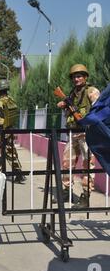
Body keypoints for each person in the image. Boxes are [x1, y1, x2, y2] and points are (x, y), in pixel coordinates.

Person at [55, 64, 99, 208]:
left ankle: (86, 197)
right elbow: (68, 114)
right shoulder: (72, 94)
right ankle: (66, 191)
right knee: (67, 163)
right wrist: (65, 106)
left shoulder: (91, 91)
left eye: (79, 76)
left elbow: (98, 108)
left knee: (88, 164)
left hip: (88, 133)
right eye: (74, 76)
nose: (76, 79)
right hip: (73, 133)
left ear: (85, 77)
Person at [0, 79, 26, 184]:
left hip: (1, 131)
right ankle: (19, 173)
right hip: (10, 130)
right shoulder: (11, 100)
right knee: (11, 152)